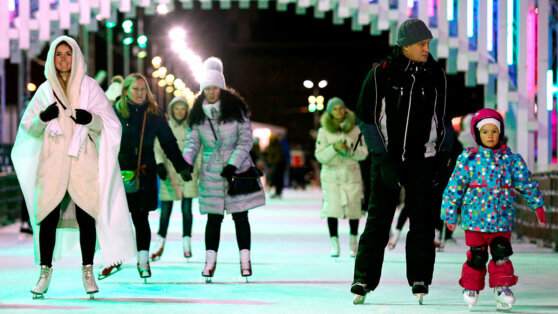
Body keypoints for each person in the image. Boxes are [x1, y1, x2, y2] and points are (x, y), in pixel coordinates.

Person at [11, 36, 135, 298]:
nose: (64, 59)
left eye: (68, 54)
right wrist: (42, 119)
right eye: (59, 54)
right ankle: (44, 272)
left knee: (86, 216)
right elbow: (28, 127)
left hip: (83, 160)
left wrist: (91, 119)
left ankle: (88, 271)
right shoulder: (45, 90)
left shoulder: (90, 88)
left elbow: (110, 124)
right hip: (52, 162)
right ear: (52, 59)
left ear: (76, 56)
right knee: (47, 217)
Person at [351, 18, 454, 305]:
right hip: (388, 159)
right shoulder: (381, 73)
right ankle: (363, 278)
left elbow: (443, 119)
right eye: (422, 44)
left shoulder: (436, 75)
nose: (427, 48)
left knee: (422, 222)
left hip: (424, 159)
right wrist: (382, 158)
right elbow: (367, 118)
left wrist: (444, 156)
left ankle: (420, 277)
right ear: (404, 45)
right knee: (378, 220)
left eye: (428, 43)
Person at [441, 108, 547, 311]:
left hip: (501, 218)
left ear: (500, 133)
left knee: (501, 253)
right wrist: (450, 213)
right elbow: (455, 186)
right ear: (477, 134)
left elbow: (526, 182)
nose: (490, 135)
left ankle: (502, 287)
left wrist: (537, 204)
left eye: (494, 131)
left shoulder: (511, 160)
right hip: (475, 219)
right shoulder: (468, 159)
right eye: (485, 132)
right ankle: (471, 288)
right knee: (477, 256)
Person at [182, 57, 265, 282]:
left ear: (221, 88)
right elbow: (192, 142)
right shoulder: (198, 114)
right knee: (213, 218)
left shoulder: (236, 110)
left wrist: (232, 164)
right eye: (206, 88)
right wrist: (186, 162)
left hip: (236, 172)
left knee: (240, 217)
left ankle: (245, 261)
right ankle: (209, 263)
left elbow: (246, 140)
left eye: (214, 88)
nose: (210, 92)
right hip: (211, 173)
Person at [111, 73, 190, 280]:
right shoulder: (114, 113)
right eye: (135, 89)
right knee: (117, 218)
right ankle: (115, 257)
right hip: (117, 173)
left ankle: (143, 259)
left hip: (144, 173)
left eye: (143, 89)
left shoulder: (154, 114)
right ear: (125, 90)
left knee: (141, 217)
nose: (139, 93)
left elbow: (169, 143)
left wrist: (181, 165)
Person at [315, 97, 368, 258]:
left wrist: (349, 151)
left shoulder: (356, 130)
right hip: (331, 176)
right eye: (335, 109)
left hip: (351, 174)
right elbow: (320, 156)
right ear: (330, 112)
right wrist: (334, 148)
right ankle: (334, 244)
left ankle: (353, 242)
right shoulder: (323, 131)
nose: (338, 112)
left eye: (341, 108)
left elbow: (364, 153)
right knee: (332, 209)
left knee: (354, 210)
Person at [151, 96, 201, 261]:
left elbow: (198, 149)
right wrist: (160, 165)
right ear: (172, 110)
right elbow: (157, 147)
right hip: (170, 172)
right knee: (165, 210)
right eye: (176, 108)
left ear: (186, 111)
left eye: (183, 108)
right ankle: (160, 241)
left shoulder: (192, 128)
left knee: (187, 210)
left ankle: (187, 241)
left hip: (188, 173)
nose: (180, 111)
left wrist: (197, 168)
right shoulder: (165, 127)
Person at [264, 133, 286, 198]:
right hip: (274, 164)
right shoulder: (272, 146)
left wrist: (272, 162)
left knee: (277, 179)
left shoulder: (276, 146)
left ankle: (278, 192)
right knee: (275, 178)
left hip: (278, 164)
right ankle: (277, 191)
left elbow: (277, 156)